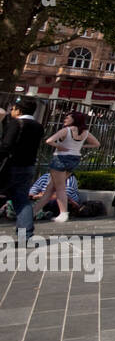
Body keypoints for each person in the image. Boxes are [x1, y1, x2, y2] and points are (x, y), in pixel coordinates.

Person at [41, 111, 100, 222]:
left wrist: (60, 146)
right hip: (74, 158)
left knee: (59, 188)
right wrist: (82, 146)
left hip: (61, 157)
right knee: (53, 187)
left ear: (74, 120)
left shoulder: (66, 130)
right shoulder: (85, 132)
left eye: (67, 118)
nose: (65, 119)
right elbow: (97, 144)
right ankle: (35, 211)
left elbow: (49, 141)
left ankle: (63, 213)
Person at [0, 101, 43, 239]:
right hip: (28, 166)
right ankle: (26, 235)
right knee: (22, 200)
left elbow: (6, 145)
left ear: (19, 111)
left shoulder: (16, 123)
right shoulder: (38, 126)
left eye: (12, 109)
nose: (11, 111)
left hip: (11, 167)